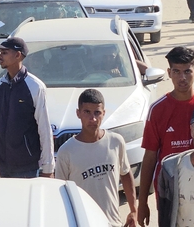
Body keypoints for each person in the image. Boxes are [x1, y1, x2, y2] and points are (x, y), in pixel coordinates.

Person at [137, 47, 194, 226]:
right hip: (169, 191)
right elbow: (149, 157)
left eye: (187, 71)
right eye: (177, 72)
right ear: (169, 73)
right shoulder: (158, 110)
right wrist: (142, 203)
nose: (182, 78)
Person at [56, 89, 137, 227]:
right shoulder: (66, 151)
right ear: (78, 113)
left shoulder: (116, 142)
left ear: (104, 113)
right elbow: (60, 194)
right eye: (87, 112)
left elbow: (125, 174)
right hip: (83, 222)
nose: (92, 119)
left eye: (97, 112)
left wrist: (134, 211)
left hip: (112, 223)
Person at [0, 37, 54, 178]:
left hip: (27, 168)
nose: (0, 56)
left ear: (18, 55)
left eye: (4, 52)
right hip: (0, 166)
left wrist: (48, 167)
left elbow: (44, 128)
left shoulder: (35, 87)